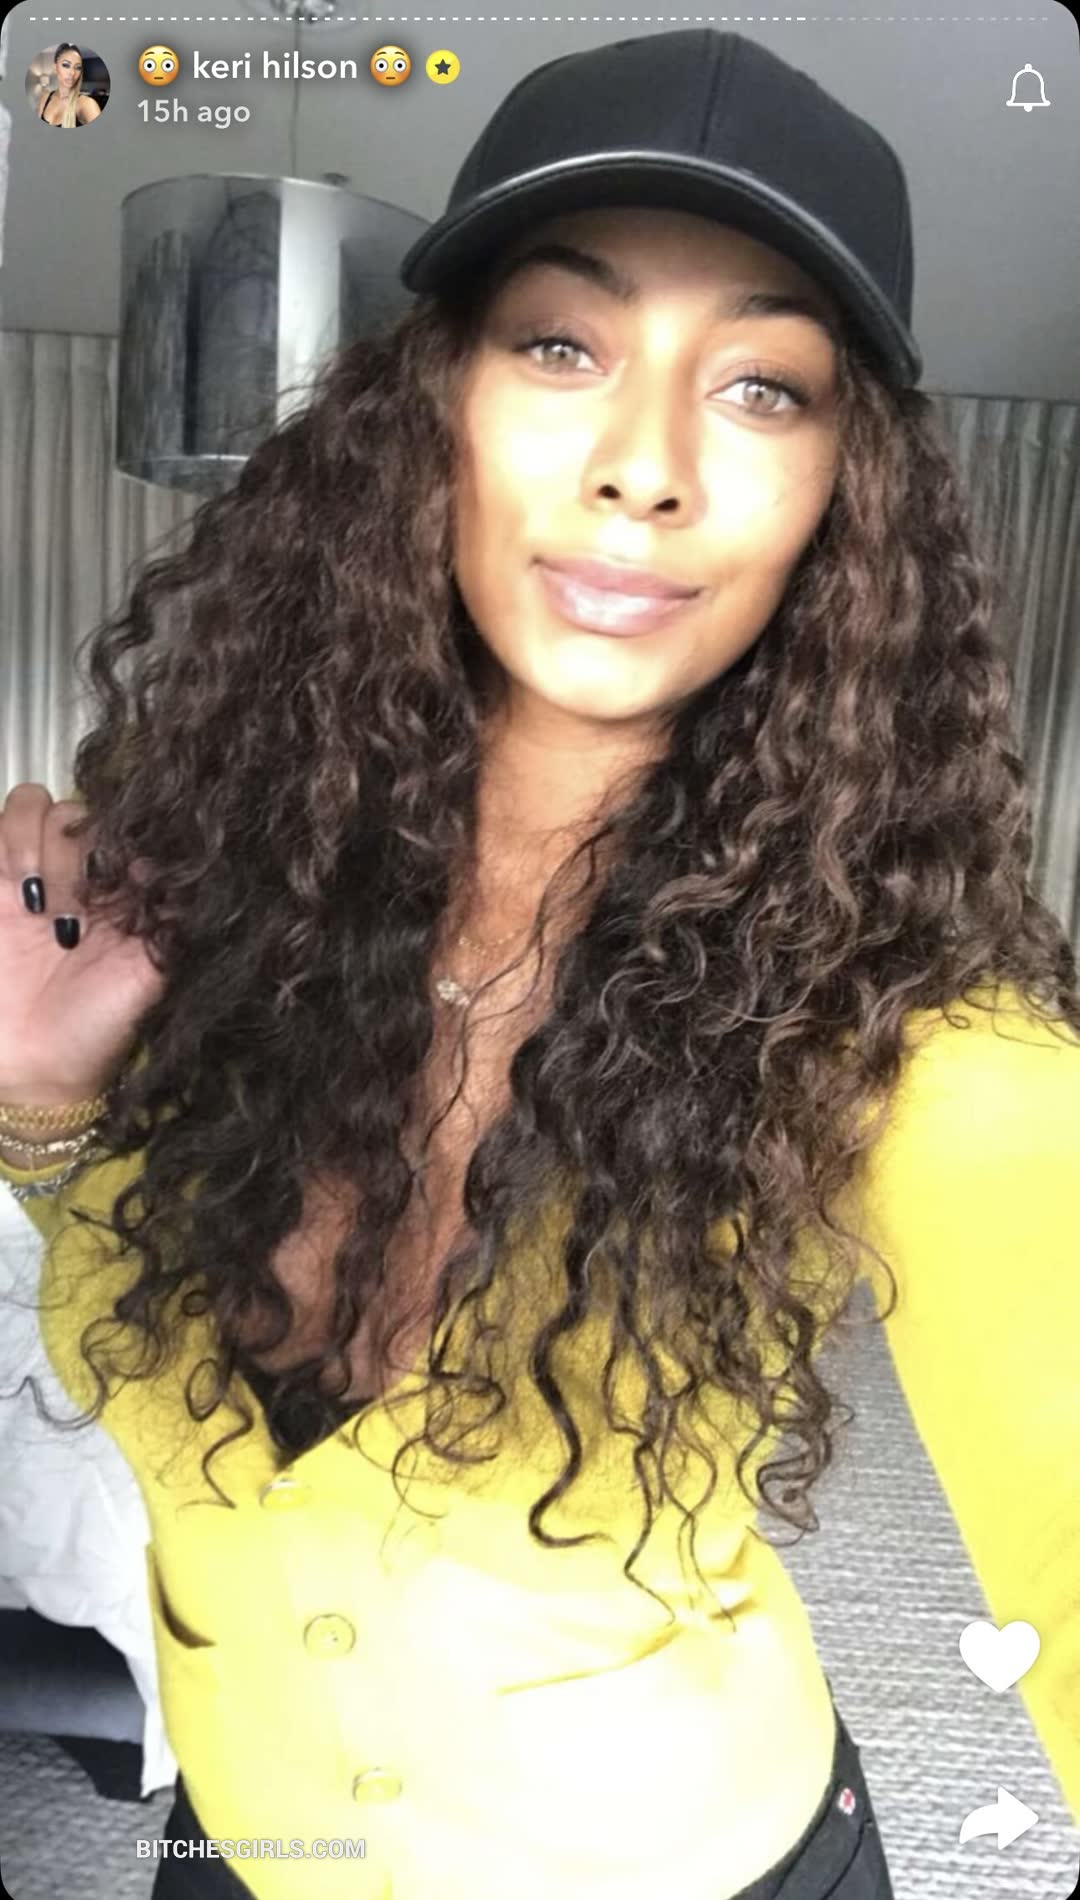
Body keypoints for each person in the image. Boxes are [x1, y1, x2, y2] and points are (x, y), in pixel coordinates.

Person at [1, 28, 1078, 1900]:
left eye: (761, 387)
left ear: (845, 498)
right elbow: (138, 1302)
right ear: (431, 408)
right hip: (242, 1840)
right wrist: (37, 1111)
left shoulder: (923, 1046)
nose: (644, 467)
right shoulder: (214, 875)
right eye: (562, 346)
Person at [36, 42, 102, 127]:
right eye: (66, 65)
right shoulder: (45, 98)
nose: (72, 73)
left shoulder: (86, 104)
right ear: (55, 68)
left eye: (78, 67)